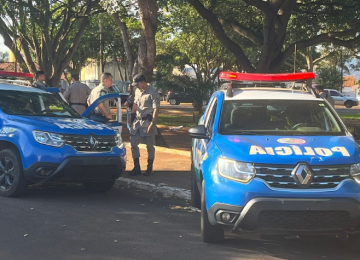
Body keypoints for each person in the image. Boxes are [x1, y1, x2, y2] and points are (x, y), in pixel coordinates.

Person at [128, 74, 160, 176]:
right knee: (133, 143)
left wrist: (153, 123)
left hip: (147, 122)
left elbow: (156, 109)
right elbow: (135, 104)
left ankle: (149, 168)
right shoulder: (137, 91)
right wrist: (131, 115)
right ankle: (136, 167)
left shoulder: (153, 92)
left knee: (150, 146)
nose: (136, 86)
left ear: (142, 82)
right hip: (137, 122)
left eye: (137, 84)